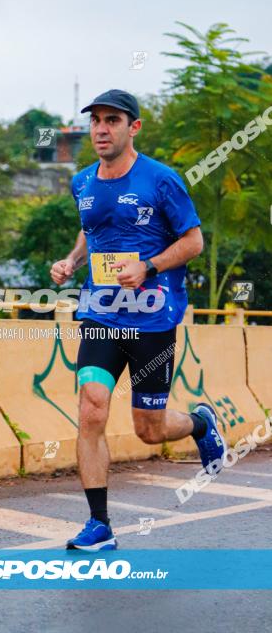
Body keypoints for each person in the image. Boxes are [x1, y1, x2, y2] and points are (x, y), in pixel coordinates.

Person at [50, 89, 227, 552]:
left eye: (112, 121)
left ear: (134, 128)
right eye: (95, 122)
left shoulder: (161, 180)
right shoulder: (83, 181)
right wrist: (71, 261)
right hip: (101, 315)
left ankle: (201, 424)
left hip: (153, 317)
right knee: (91, 407)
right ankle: (99, 525)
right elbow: (92, 228)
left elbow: (194, 242)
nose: (101, 129)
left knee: (148, 429)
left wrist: (148, 268)